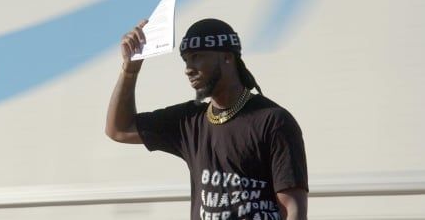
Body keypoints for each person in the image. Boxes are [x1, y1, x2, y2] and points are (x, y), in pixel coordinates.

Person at [105, 18, 308, 220]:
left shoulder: (274, 121)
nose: (188, 68)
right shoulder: (189, 120)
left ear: (227, 57)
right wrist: (130, 69)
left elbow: (293, 210)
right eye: (186, 60)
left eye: (197, 57)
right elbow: (119, 129)